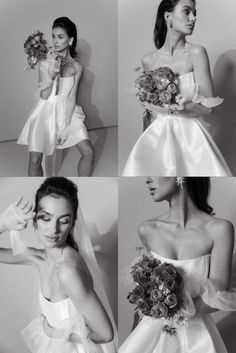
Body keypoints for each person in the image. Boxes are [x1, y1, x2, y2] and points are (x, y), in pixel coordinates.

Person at [119, 177, 236, 353]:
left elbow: (218, 297)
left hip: (198, 339)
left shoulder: (219, 229)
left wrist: (170, 307)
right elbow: (145, 288)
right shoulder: (147, 229)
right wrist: (135, 333)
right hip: (149, 333)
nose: (148, 179)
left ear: (181, 175)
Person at [0, 177, 117, 353]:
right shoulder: (37, 258)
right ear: (34, 221)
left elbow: (105, 334)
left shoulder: (68, 272)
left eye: (63, 221)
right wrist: (2, 223)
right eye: (45, 218)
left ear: (72, 224)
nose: (54, 230)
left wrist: (57, 334)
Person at [122, 0, 232, 176]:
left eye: (195, 13)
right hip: (157, 136)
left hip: (191, 140)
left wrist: (172, 108)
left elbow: (208, 107)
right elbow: (148, 110)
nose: (193, 18)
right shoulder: (148, 60)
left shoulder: (196, 52)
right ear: (168, 17)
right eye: (187, 12)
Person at [18, 17, 94, 176]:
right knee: (34, 160)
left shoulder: (77, 67)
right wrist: (51, 74)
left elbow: (72, 97)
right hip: (45, 112)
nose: (55, 41)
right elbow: (44, 96)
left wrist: (66, 128)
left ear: (70, 39)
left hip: (67, 112)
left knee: (88, 153)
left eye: (60, 36)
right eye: (53, 36)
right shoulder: (45, 62)